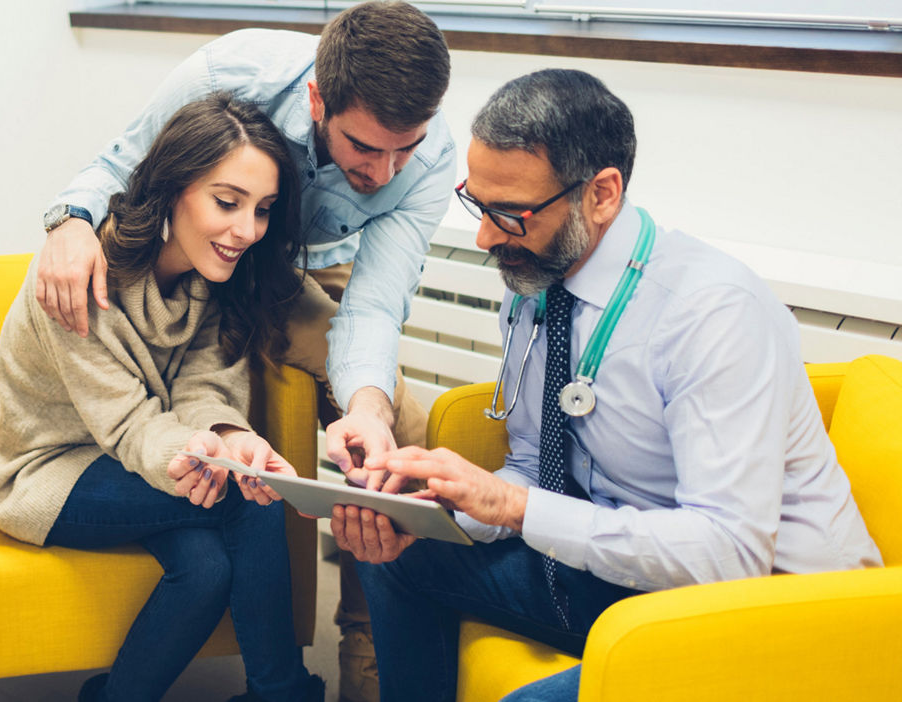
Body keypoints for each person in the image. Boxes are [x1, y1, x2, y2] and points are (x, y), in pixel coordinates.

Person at [330, 68, 883, 702]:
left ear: (602, 194)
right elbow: (537, 467)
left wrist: (513, 507)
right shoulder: (535, 282)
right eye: (477, 205)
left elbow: (728, 554)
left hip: (768, 608)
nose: (485, 238)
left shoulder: (712, 313)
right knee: (401, 562)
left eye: (509, 215)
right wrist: (445, 507)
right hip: (620, 576)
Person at [37, 4, 455, 697]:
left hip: (310, 271)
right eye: (362, 147)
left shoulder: (428, 158)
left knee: (396, 436)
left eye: (402, 149)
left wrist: (367, 411)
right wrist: (71, 221)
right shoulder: (227, 76)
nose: (384, 173)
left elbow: (374, 308)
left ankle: (368, 646)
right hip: (221, 257)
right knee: (246, 480)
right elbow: (127, 161)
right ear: (320, 101)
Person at [0, 93, 324, 702]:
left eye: (262, 210)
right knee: (250, 501)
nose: (247, 230)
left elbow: (203, 383)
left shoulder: (219, 271)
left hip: (136, 450)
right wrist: (196, 452)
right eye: (226, 201)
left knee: (206, 569)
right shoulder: (77, 277)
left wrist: (231, 437)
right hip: (45, 465)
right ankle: (283, 693)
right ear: (173, 187)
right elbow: (128, 423)